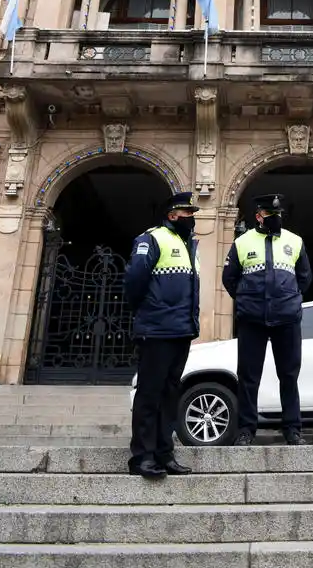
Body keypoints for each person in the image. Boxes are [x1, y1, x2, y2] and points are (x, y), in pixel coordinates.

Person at [222, 193, 312, 446]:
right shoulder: (242, 242)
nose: (276, 218)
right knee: (249, 377)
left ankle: (292, 429)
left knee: (289, 375)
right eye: (271, 215)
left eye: (279, 214)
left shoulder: (294, 241)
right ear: (259, 216)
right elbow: (229, 278)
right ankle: (246, 430)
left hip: (286, 320)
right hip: (252, 319)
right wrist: (245, 301)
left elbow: (305, 277)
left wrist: (290, 299)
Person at [124, 191, 200, 478]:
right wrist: (146, 310)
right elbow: (135, 280)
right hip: (156, 329)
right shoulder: (152, 238)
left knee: (169, 396)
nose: (191, 219)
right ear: (172, 215)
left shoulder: (189, 244)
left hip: (181, 329)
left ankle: (164, 454)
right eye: (187, 214)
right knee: (150, 394)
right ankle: (142, 457)